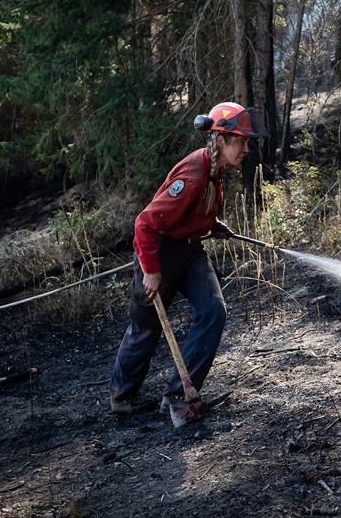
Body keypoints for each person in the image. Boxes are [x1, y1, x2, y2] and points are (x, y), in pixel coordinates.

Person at [108, 101, 258, 415]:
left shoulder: (216, 171)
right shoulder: (193, 173)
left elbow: (193, 211)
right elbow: (145, 223)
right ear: (220, 140)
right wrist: (150, 270)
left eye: (247, 141)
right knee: (146, 325)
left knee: (213, 310)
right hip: (159, 251)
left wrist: (212, 225)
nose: (245, 147)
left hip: (189, 251)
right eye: (240, 141)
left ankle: (179, 396)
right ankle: (122, 398)